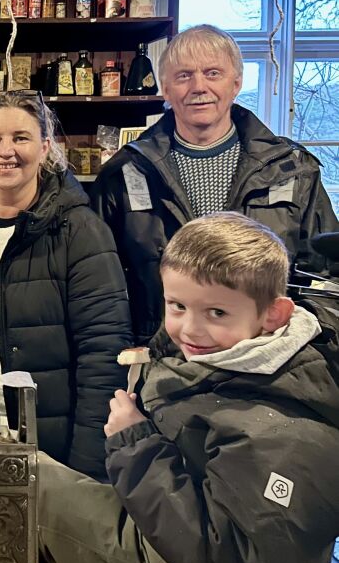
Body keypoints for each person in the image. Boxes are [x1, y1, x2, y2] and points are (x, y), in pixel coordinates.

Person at [38, 212, 339, 563]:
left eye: (216, 312)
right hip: (172, 526)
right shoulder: (222, 365)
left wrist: (134, 442)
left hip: (181, 555)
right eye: (177, 306)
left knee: (28, 485)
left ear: (273, 315)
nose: (190, 330)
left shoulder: (285, 434)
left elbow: (236, 559)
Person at [0, 91, 131, 480]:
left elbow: (104, 352)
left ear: (45, 147)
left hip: (47, 450)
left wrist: (85, 470)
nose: (6, 151)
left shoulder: (80, 231)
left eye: (21, 137)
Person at [91, 24, 339, 344]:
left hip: (267, 364)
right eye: (183, 76)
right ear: (165, 89)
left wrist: (295, 341)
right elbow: (99, 286)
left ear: (236, 83)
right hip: (163, 362)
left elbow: (325, 280)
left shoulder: (292, 170)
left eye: (212, 73)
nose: (198, 87)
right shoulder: (124, 174)